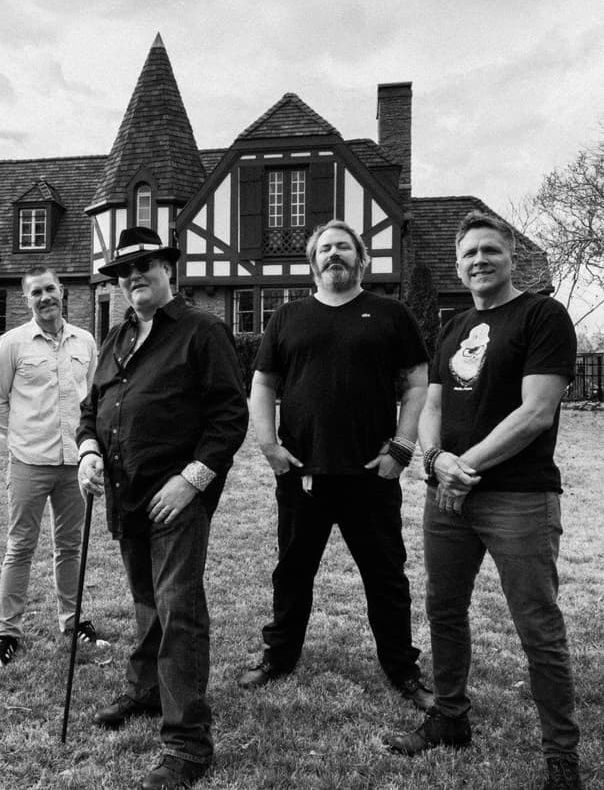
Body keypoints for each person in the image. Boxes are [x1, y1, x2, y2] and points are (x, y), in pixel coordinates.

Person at [386, 212, 584, 790]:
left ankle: (561, 755)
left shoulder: (543, 316)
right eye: (469, 252)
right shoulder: (454, 326)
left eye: (490, 250)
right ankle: (449, 718)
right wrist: (434, 460)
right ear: (457, 264)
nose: (479, 260)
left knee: (537, 626)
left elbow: (536, 412)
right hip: (448, 498)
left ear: (511, 257)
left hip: (519, 497)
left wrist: (462, 466)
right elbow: (433, 404)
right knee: (444, 610)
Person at [236, 220, 433, 711]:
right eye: (325, 248)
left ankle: (402, 668)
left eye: (344, 247)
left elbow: (416, 383)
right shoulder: (288, 316)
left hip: (372, 474)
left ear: (361, 259)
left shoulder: (390, 314)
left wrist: (401, 448)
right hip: (302, 473)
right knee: (292, 572)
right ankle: (279, 657)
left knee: (386, 577)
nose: (334, 254)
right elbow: (262, 383)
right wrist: (268, 445)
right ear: (313, 262)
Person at [77, 226, 248, 790]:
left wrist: (189, 483)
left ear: (167, 269)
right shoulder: (116, 337)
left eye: (144, 265)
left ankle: (188, 743)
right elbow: (91, 410)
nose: (133, 277)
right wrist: (89, 451)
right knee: (147, 601)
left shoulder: (203, 331)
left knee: (179, 609)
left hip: (176, 501)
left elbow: (230, 417)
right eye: (123, 271)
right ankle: (147, 690)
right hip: (125, 495)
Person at [0, 266, 107, 669]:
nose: (45, 297)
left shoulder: (85, 341)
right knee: (20, 547)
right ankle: (6, 632)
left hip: (75, 464)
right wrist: (20, 438)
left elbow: (94, 401)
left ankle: (74, 622)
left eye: (50, 288)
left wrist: (89, 449)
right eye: (35, 292)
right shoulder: (11, 344)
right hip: (29, 462)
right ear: (27, 299)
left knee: (70, 547)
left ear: (62, 291)